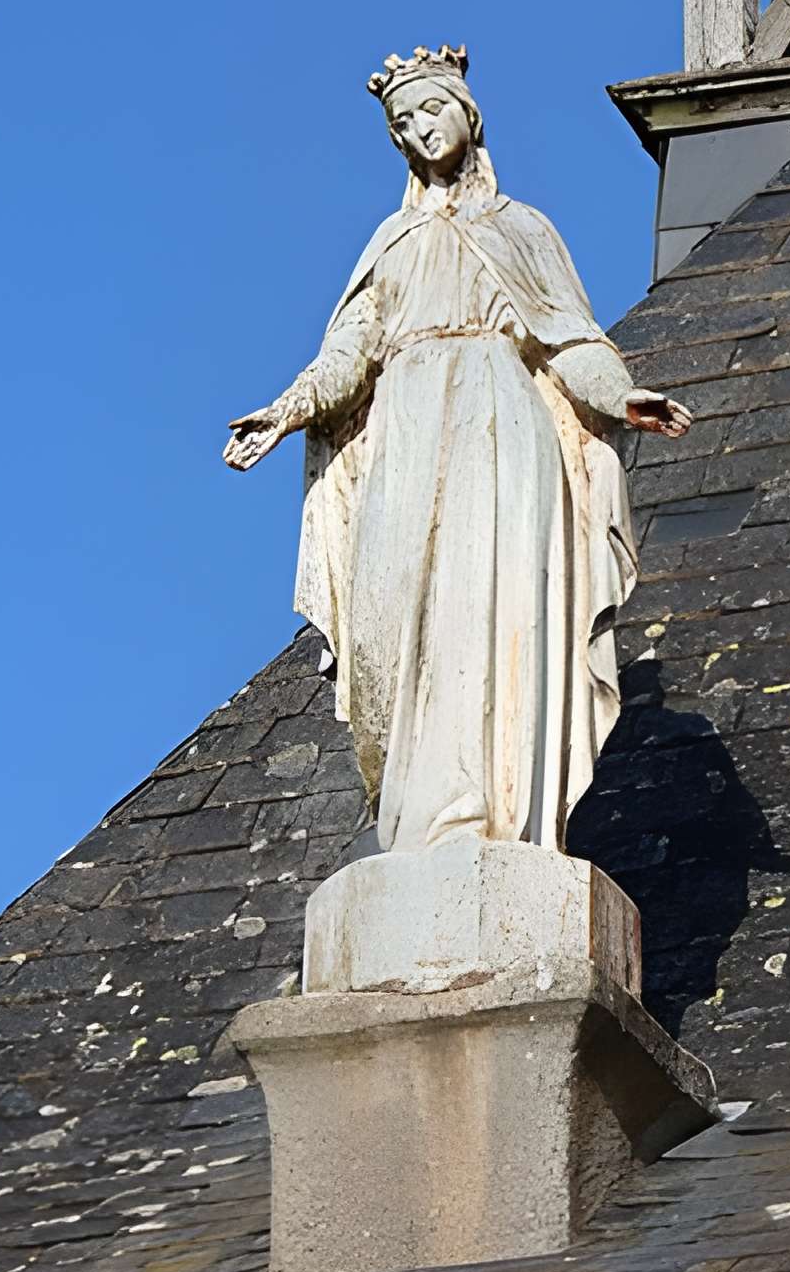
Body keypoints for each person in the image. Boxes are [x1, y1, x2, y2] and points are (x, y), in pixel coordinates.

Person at [225, 48, 690, 853]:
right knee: (394, 621)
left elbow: (567, 338)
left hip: (500, 429)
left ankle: (487, 813)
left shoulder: (520, 230)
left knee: (489, 610)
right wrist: (285, 412)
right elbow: (347, 356)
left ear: (467, 114)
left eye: (430, 111)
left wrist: (621, 395)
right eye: (401, 124)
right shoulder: (391, 243)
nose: (417, 130)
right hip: (406, 430)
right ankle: (415, 816)